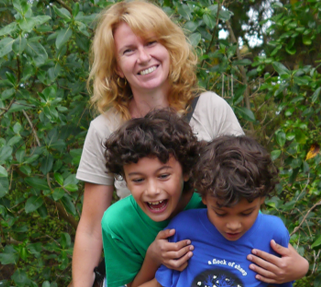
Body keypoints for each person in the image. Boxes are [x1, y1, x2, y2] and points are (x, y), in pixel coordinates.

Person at [72, 1, 308, 286]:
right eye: (129, 50)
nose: (144, 57)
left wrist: (296, 263)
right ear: (117, 67)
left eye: (151, 43)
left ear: (169, 48)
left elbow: (245, 189)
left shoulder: (211, 109)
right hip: (142, 272)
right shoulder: (103, 130)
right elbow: (90, 228)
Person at [153, 135, 293, 287]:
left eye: (246, 213)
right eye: (221, 213)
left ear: (262, 198)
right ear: (204, 197)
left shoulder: (273, 234)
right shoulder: (183, 228)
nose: (233, 225)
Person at [102, 109, 203, 287]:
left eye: (163, 176)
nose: (152, 190)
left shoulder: (211, 203)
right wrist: (153, 258)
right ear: (125, 180)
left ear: (186, 171)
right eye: (138, 180)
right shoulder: (118, 223)